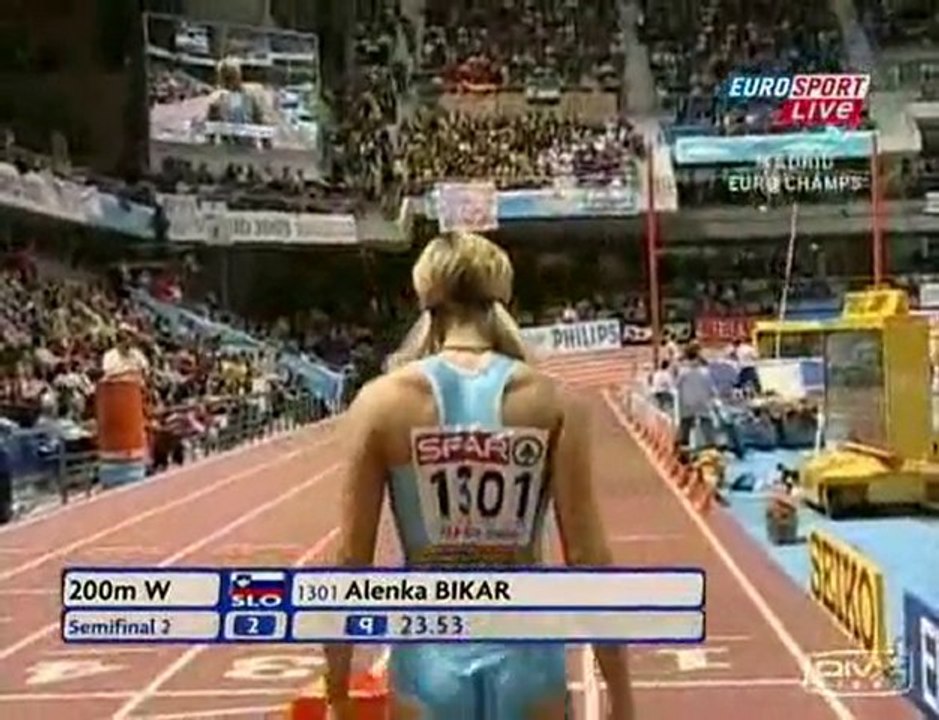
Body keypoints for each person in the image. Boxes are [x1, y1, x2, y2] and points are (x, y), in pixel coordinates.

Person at [325, 232, 633, 720]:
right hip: (528, 653)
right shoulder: (554, 402)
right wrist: (621, 694)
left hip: (428, 656)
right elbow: (588, 557)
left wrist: (337, 690)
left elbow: (351, 561)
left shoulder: (381, 403)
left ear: (426, 296)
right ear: (499, 295)